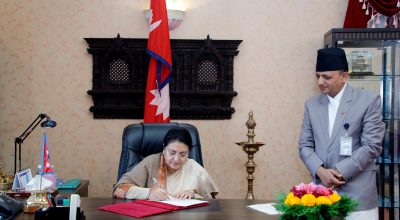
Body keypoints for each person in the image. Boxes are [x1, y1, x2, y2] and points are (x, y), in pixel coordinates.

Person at [299, 47, 385, 220]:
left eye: (327, 77)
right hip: (321, 194)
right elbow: (305, 146)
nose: (320, 82)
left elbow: (372, 146)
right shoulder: (311, 104)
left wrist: (339, 172)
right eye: (318, 76)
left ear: (345, 76)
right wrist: (320, 171)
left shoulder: (368, 101)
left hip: (358, 197)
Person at [113, 127, 218, 200]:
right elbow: (119, 190)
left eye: (183, 154)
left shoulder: (195, 167)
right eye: (172, 153)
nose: (176, 159)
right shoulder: (151, 162)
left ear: (189, 152)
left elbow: (211, 201)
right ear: (164, 148)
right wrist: (149, 193)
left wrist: (193, 195)